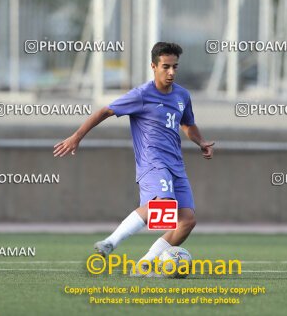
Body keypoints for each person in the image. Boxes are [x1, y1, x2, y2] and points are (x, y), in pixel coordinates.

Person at [53, 42, 214, 276]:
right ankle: (111, 242)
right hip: (152, 162)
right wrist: (76, 137)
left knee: (187, 221)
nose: (171, 72)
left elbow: (187, 124)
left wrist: (200, 142)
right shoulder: (141, 95)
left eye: (175, 67)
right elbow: (104, 111)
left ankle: (145, 264)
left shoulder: (182, 95)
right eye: (166, 67)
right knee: (163, 206)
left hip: (176, 166)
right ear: (153, 66)